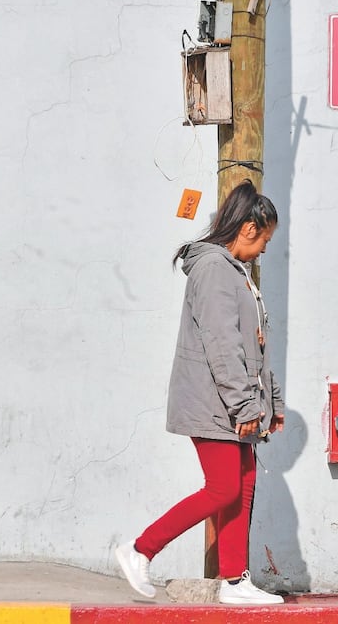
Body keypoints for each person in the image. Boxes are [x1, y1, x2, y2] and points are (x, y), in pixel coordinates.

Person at [115, 180, 285, 605]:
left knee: (243, 484)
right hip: (214, 403)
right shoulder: (214, 269)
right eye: (264, 240)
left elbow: (254, 345)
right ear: (249, 228)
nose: (264, 249)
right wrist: (244, 405)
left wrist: (272, 403)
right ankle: (140, 550)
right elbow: (222, 345)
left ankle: (234, 582)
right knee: (223, 488)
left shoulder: (235, 271)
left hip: (232, 402)